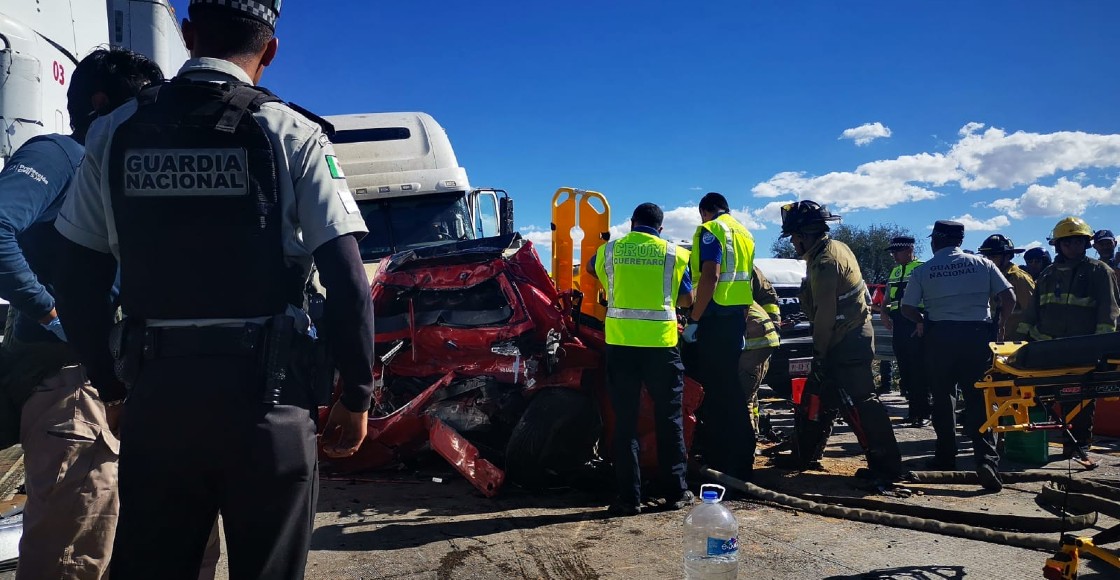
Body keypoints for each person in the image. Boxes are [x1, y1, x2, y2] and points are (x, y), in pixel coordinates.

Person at [51, 1, 375, 578]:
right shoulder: (294, 133)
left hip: (159, 399)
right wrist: (356, 394)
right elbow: (349, 277)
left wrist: (112, 387)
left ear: (192, 35)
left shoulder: (112, 132)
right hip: (268, 401)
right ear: (270, 51)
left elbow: (77, 280)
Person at [0, 47, 163, 580]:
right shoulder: (59, 155)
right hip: (69, 378)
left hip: (119, 375)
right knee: (74, 545)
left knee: (124, 534)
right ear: (99, 104)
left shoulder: (113, 169)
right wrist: (49, 311)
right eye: (141, 107)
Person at [775, 200, 902, 481]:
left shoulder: (825, 262)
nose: (793, 244)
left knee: (861, 403)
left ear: (804, 235)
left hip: (847, 341)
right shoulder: (832, 249)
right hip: (845, 337)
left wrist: (819, 355)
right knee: (815, 398)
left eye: (794, 237)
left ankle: (886, 466)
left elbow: (825, 317)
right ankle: (804, 454)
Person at [587, 203, 694, 516]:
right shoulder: (674, 254)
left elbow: (593, 271)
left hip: (621, 345)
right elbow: (686, 299)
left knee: (625, 424)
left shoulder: (610, 251)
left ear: (632, 223)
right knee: (669, 420)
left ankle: (628, 498)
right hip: (662, 347)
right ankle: (675, 492)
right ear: (660, 229)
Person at [900, 220, 1014, 491]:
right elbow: (1008, 297)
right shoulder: (983, 264)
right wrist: (999, 326)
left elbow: (906, 308)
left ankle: (945, 456)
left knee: (942, 398)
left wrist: (923, 321)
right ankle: (986, 460)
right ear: (960, 240)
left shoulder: (925, 270)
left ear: (935, 241)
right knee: (979, 398)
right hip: (977, 336)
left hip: (940, 336)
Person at [1019, 217, 1118, 466]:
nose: (1074, 247)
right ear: (1058, 245)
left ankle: (1077, 445)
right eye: (1068, 242)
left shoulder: (1099, 271)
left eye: (1079, 242)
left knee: (1081, 399)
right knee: (1043, 397)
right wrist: (1019, 342)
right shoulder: (1048, 274)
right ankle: (1040, 441)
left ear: (1087, 243)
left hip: (1082, 350)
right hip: (1048, 349)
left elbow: (1108, 311)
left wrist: (1102, 349)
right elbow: (1032, 311)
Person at [682, 192, 756, 481]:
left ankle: (726, 460)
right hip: (734, 318)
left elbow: (710, 276)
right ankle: (739, 456)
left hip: (714, 317)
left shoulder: (710, 230)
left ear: (704, 211)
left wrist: (694, 320)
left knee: (716, 390)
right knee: (730, 389)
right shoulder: (744, 233)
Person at [882, 236, 930, 426]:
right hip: (899, 324)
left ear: (909, 250)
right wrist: (884, 313)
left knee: (920, 370)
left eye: (897, 252)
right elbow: (887, 296)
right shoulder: (894, 271)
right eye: (892, 252)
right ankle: (913, 411)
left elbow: (928, 296)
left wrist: (921, 321)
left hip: (916, 322)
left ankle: (925, 413)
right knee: (906, 370)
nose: (894, 256)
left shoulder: (922, 267)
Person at [739, 266, 780, 439]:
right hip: (758, 336)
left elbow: (768, 296)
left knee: (742, 397)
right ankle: (750, 441)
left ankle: (743, 452)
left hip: (753, 338)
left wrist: (775, 324)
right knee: (750, 395)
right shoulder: (744, 263)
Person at [976, 234, 1034, 342]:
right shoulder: (987, 277)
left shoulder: (1019, 278)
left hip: (1013, 342)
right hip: (992, 339)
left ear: (1007, 256)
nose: (988, 261)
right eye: (986, 256)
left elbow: (1032, 311)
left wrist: (1022, 337)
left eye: (993, 257)